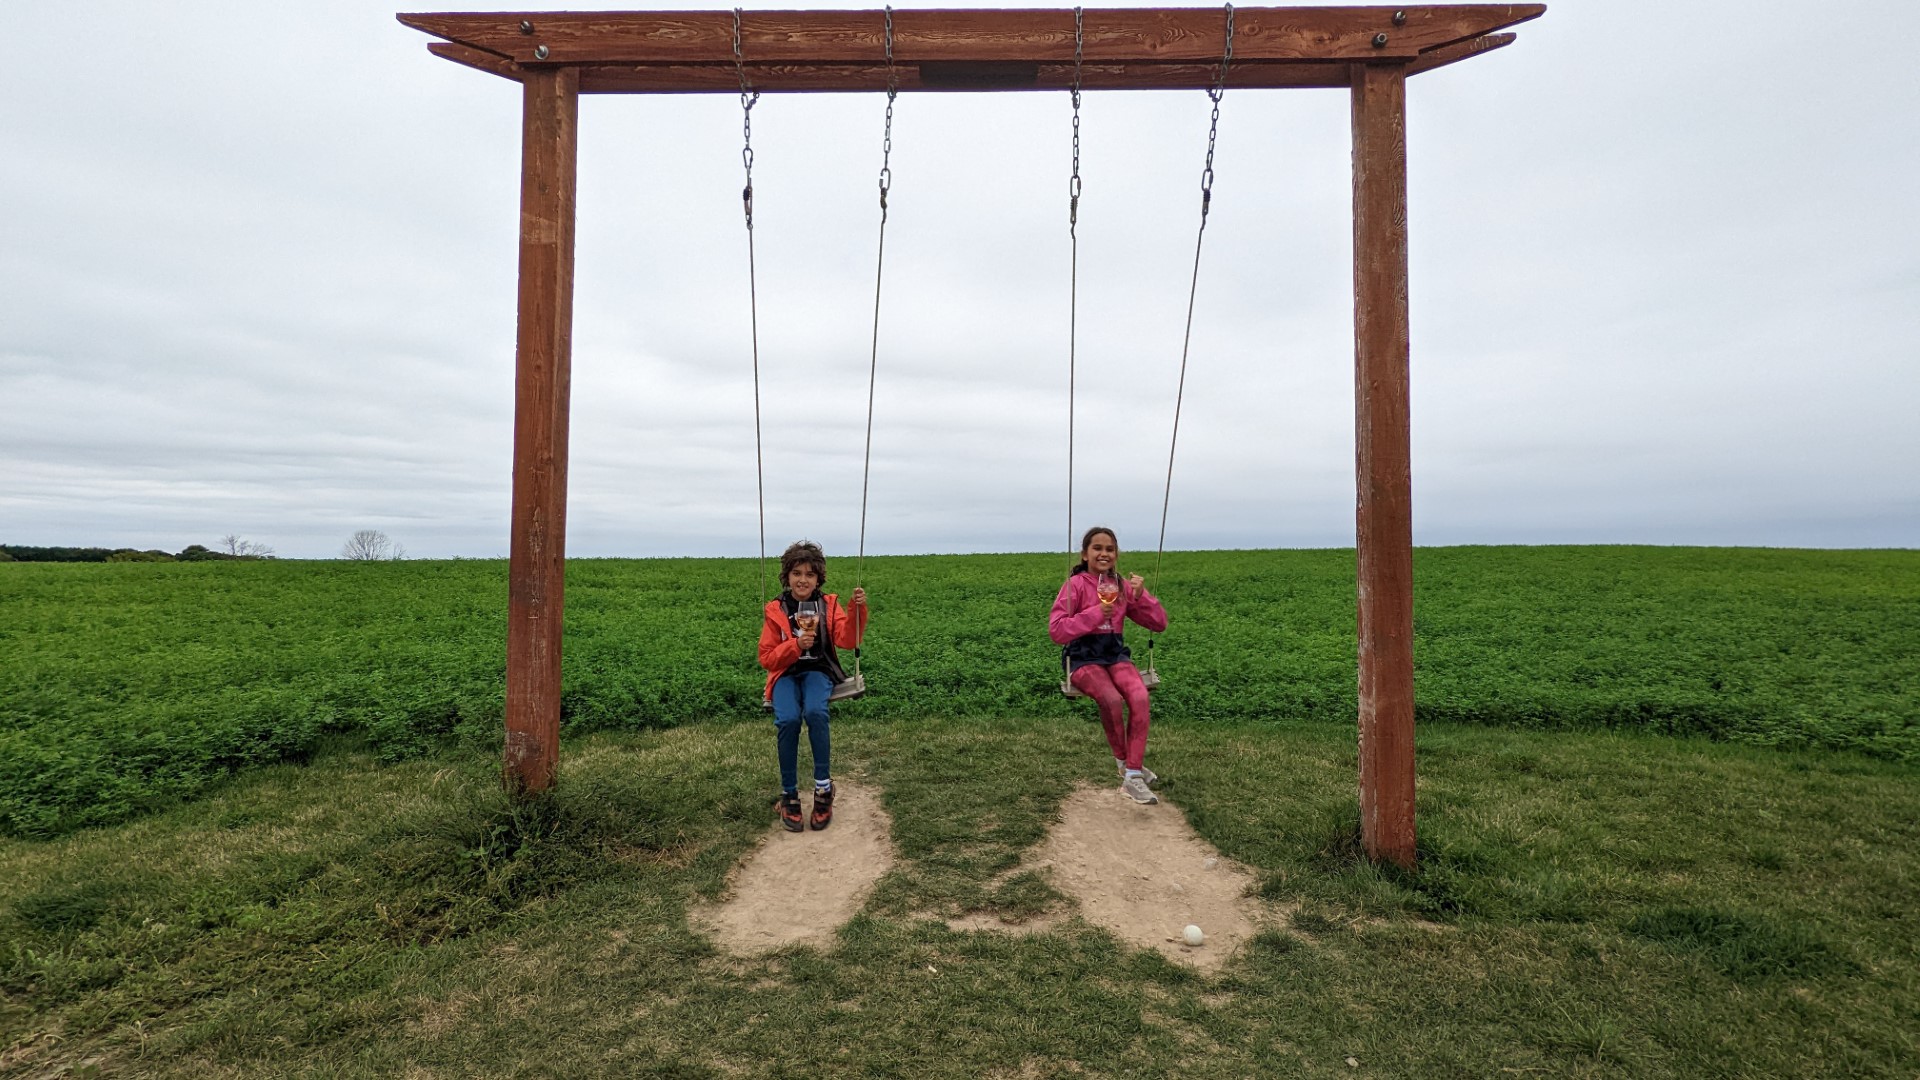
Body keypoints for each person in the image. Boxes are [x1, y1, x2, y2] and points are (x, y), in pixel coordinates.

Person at [1049, 526, 1168, 804]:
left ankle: (1133, 775)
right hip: (1082, 657)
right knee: (1112, 700)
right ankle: (1126, 765)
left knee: (1139, 696)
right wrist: (1093, 614)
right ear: (1085, 554)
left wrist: (1142, 596)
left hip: (1114, 654)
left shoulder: (1122, 587)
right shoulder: (1075, 586)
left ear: (1116, 554)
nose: (1104, 554)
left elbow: (1158, 624)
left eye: (1109, 549)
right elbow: (1056, 631)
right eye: (1098, 548)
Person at [759, 540, 868, 832]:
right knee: (788, 719)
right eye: (796, 573)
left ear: (818, 578)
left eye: (809, 574)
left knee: (816, 713)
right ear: (787, 577)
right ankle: (789, 794)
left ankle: (823, 790)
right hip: (785, 673)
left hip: (818, 670)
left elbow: (848, 640)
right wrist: (795, 646)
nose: (802, 580)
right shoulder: (776, 609)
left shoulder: (829, 606)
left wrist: (856, 610)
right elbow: (767, 658)